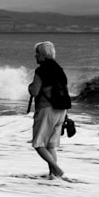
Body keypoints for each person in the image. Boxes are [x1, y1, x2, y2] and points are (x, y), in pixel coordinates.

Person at [28, 41, 69, 180]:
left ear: (43, 55)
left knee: (38, 144)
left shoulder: (41, 70)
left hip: (46, 109)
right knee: (51, 146)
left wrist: (30, 86)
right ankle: (53, 176)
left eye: (37, 53)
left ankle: (56, 169)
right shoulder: (59, 69)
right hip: (61, 110)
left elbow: (34, 91)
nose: (35, 56)